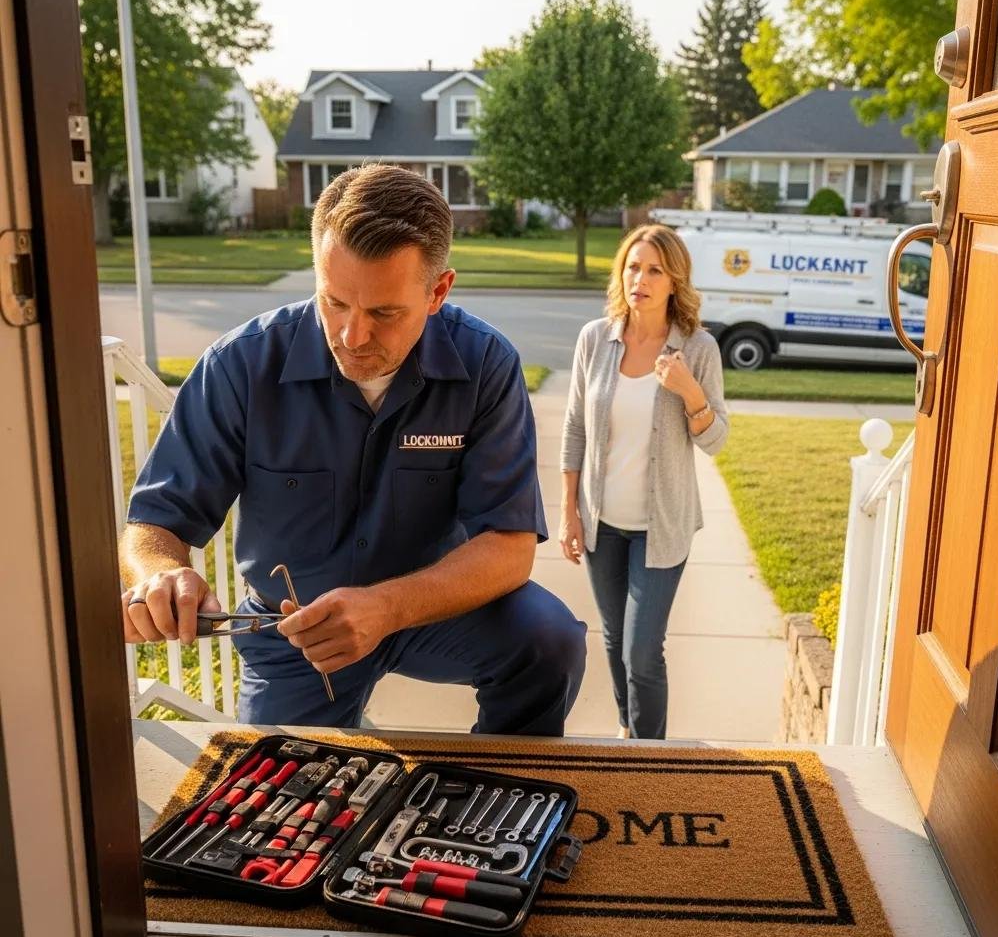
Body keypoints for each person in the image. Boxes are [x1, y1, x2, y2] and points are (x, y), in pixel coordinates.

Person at [120, 164, 586, 734]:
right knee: (277, 802)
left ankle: (505, 797)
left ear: (438, 291)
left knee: (549, 641)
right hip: (294, 631)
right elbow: (155, 521)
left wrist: (386, 608)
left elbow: (509, 547)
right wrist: (162, 572)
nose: (351, 336)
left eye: (384, 313)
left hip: (431, 608)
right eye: (334, 302)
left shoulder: (486, 362)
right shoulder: (241, 363)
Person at [559, 223, 728, 740]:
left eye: (655, 269)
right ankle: (627, 729)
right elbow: (575, 427)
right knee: (613, 638)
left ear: (674, 280)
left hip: (662, 528)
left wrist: (689, 391)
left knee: (642, 650)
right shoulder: (596, 338)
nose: (642, 279)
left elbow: (715, 438)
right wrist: (569, 510)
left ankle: (652, 756)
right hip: (601, 523)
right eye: (633, 267)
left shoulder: (697, 348)